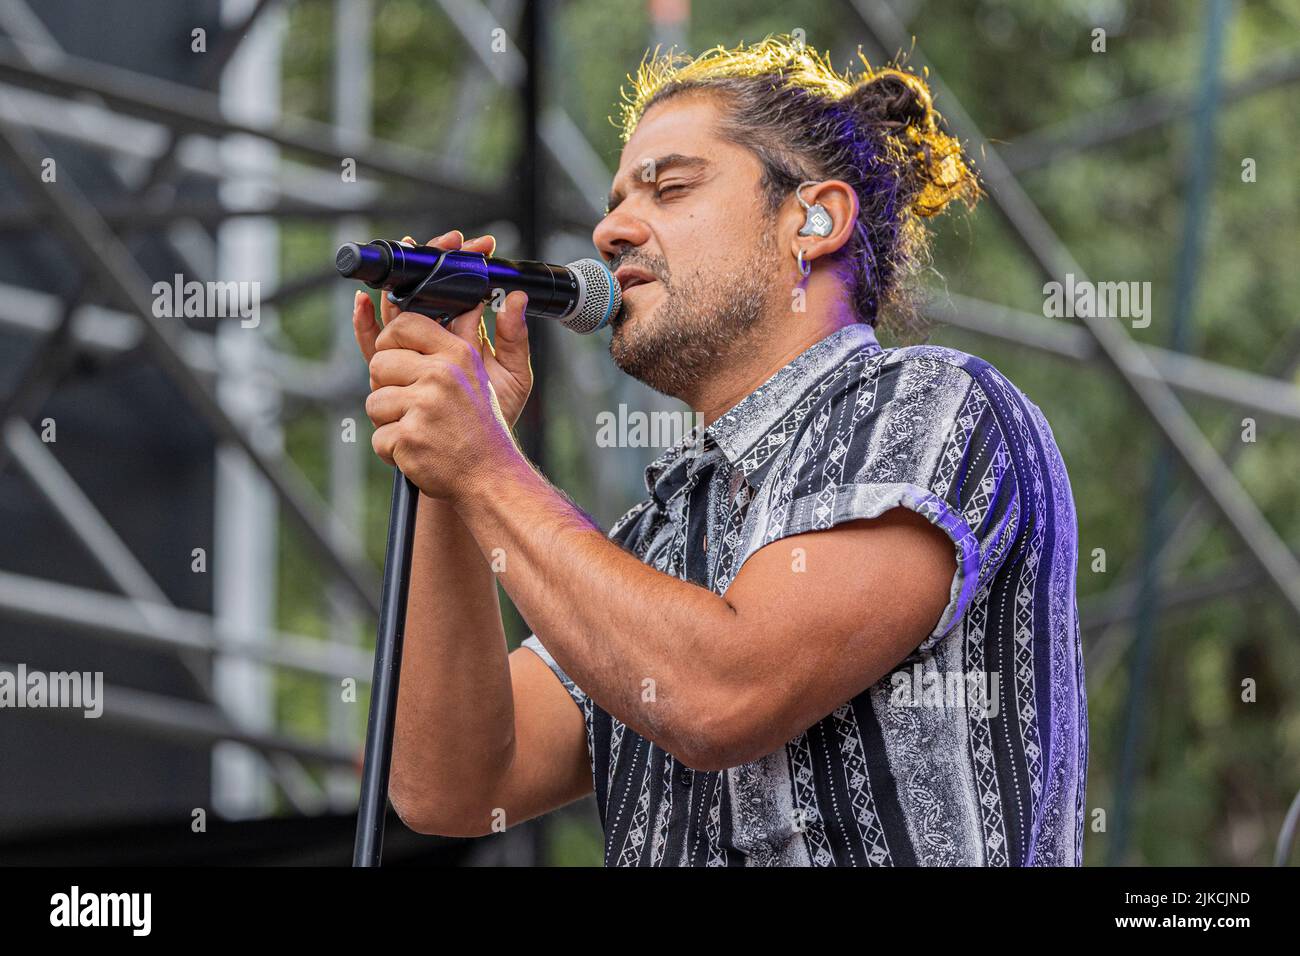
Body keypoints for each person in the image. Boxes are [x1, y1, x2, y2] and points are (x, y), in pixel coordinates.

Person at [351, 35, 1087, 866]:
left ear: (813, 219)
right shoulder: (653, 543)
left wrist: (487, 466)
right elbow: (454, 785)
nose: (610, 230)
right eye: (616, 201)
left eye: (668, 189)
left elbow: (722, 694)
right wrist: (449, 472)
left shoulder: (934, 403)